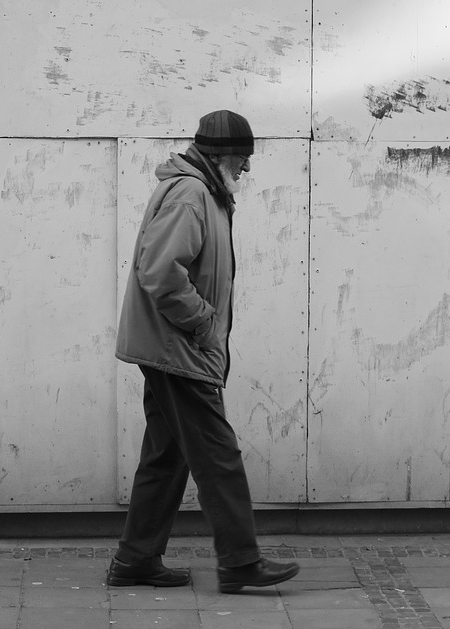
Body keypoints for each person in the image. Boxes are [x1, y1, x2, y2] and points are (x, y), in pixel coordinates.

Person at [105, 110, 300, 594]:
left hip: (174, 347)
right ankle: (239, 562)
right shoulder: (192, 194)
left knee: (166, 457)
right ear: (219, 155)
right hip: (179, 350)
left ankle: (135, 560)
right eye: (242, 158)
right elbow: (160, 272)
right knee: (218, 454)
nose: (247, 169)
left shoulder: (207, 192)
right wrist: (205, 323)